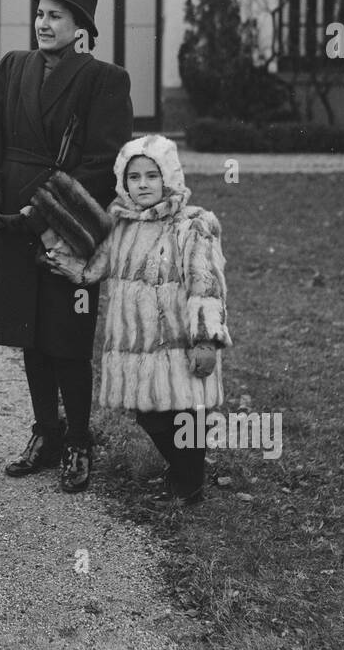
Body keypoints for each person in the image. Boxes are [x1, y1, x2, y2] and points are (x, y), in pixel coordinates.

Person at [0, 0, 133, 493]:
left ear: (81, 26)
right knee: (27, 333)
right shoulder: (13, 67)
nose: (43, 22)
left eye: (56, 15)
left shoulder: (105, 79)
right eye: (39, 13)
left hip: (65, 225)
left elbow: (105, 163)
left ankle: (80, 439)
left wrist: (44, 215)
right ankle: (46, 432)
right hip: (11, 216)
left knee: (66, 335)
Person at [47, 134, 232, 503]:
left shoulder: (191, 225)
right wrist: (75, 269)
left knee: (183, 413)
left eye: (152, 175)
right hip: (137, 346)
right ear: (123, 181)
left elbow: (205, 285)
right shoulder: (122, 224)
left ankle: (188, 482)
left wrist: (206, 339)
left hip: (180, 342)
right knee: (149, 412)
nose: (143, 184)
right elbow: (100, 265)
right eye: (134, 177)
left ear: (169, 177)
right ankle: (183, 470)